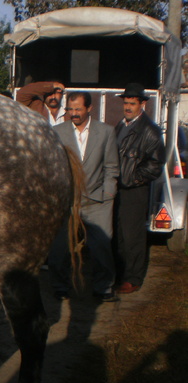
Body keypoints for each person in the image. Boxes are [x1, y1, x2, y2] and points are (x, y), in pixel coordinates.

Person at [49, 91, 120, 302]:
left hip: (98, 200)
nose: (74, 113)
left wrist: (108, 192)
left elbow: (112, 166)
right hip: (67, 202)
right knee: (59, 248)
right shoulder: (57, 132)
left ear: (89, 108)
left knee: (102, 248)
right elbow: (52, 167)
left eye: (78, 109)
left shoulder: (106, 132)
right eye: (70, 109)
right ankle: (60, 287)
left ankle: (103, 288)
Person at [114, 83, 166, 294]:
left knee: (133, 236)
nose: (128, 107)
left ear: (142, 104)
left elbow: (155, 164)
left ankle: (133, 278)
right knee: (117, 235)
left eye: (132, 103)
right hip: (117, 188)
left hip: (134, 190)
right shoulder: (121, 125)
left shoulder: (150, 131)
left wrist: (133, 179)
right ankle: (120, 275)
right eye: (126, 103)